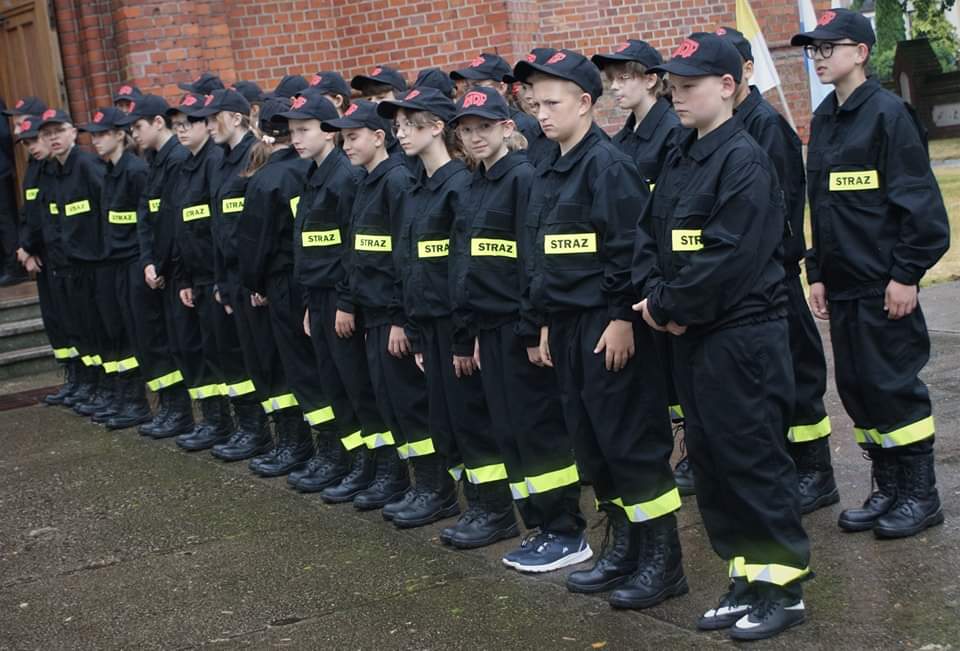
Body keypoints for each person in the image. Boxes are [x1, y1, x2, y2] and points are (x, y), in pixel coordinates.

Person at [635, 33, 811, 640]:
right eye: (673, 87)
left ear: (727, 86)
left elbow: (729, 258)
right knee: (712, 465)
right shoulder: (682, 153)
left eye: (689, 87)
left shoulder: (744, 160)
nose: (676, 97)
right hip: (692, 335)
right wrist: (658, 299)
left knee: (753, 461)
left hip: (741, 339)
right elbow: (649, 235)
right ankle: (745, 577)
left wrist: (668, 305)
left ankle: (782, 588)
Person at [512, 50, 684, 590]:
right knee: (594, 444)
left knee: (630, 441)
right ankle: (624, 546)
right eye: (536, 105)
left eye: (553, 103)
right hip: (566, 326)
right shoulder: (547, 166)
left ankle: (662, 561)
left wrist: (621, 319)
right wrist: (543, 321)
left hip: (606, 325)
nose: (542, 114)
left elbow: (629, 250)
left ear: (585, 103)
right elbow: (543, 254)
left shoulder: (607, 166)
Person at [792, 9, 949, 538]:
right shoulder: (825, 117)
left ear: (860, 53)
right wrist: (817, 271)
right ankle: (889, 488)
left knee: (894, 388)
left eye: (828, 48)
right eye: (813, 49)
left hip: (885, 287)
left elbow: (923, 210)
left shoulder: (888, 115)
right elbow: (822, 205)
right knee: (859, 389)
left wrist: (906, 274)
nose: (818, 58)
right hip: (843, 287)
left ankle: (920, 495)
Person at [448, 86, 579, 551]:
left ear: (506, 127)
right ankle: (538, 526)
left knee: (537, 430)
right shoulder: (474, 184)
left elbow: (533, 261)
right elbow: (466, 265)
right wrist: (468, 332)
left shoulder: (523, 178)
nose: (475, 137)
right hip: (488, 329)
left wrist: (533, 326)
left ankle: (564, 529)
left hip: (517, 327)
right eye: (467, 130)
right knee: (509, 433)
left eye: (484, 127)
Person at [716, 25, 837, 514]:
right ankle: (788, 465)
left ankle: (817, 472)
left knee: (798, 374)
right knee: (769, 381)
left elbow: (781, 208)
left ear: (746, 71)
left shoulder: (765, 125)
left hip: (775, 276)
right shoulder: (723, 126)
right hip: (745, 281)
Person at [379, 87, 497, 530]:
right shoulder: (416, 189)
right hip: (427, 324)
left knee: (472, 420)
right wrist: (412, 327)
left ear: (436, 128)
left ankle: (494, 509)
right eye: (398, 126)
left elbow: (465, 268)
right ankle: (459, 500)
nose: (401, 134)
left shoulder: (459, 186)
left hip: (455, 324)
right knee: (444, 421)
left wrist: (464, 336)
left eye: (411, 125)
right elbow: (407, 263)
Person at [591, 38, 692, 494]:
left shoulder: (672, 132)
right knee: (661, 378)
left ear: (652, 80)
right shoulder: (623, 140)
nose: (615, 87)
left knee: (682, 373)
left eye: (624, 77)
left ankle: (696, 450)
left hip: (669, 276)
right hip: (639, 274)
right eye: (611, 80)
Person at [283, 92, 389, 495]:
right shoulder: (313, 174)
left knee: (357, 386)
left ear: (328, 133)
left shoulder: (344, 177)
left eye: (304, 130)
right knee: (335, 384)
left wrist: (345, 302)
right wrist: (310, 303)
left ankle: (382, 467)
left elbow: (351, 249)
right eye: (292, 132)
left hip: (341, 298)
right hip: (319, 297)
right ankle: (355, 460)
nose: (296, 139)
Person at [318, 100, 420, 510]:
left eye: (353, 137)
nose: (346, 146)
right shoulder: (365, 181)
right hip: (369, 311)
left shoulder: (396, 182)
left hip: (388, 314)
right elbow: (355, 252)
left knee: (408, 404)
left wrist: (398, 317)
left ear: (379, 137)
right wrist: (348, 300)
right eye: (343, 139)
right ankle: (396, 477)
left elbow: (402, 258)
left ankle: (431, 486)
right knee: (383, 400)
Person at [124, 94, 196, 439]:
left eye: (138, 126)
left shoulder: (178, 159)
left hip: (175, 271)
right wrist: (149, 261)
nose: (134, 134)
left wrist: (164, 265)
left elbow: (175, 221)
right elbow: (146, 218)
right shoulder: (154, 160)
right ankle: (173, 409)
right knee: (164, 341)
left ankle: (183, 413)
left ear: (157, 122)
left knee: (184, 345)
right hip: (160, 269)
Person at [78, 107, 153, 429]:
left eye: (102, 134)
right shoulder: (108, 170)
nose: (95, 141)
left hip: (134, 262)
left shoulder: (135, 170)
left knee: (141, 334)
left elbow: (146, 221)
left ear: (120, 134)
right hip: (115, 263)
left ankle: (140, 403)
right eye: (93, 135)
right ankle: (128, 398)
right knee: (120, 332)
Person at [166, 93, 234, 446]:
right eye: (176, 125)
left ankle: (239, 425)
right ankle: (216, 420)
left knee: (228, 355)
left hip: (215, 276)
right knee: (206, 351)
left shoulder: (214, 161)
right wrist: (183, 277)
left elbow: (218, 227)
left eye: (188, 123)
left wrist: (221, 278)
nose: (181, 130)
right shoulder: (185, 165)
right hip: (196, 277)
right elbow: (181, 227)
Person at [15, 114, 81, 405]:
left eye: (34, 140)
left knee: (74, 322)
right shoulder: (36, 169)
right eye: (26, 142)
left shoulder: (57, 169)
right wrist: (25, 247)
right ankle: (74, 378)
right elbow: (29, 213)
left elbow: (49, 218)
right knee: (57, 322)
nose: (32, 146)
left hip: (60, 257)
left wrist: (30, 246)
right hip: (46, 257)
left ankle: (85, 381)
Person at [450, 54, 554, 166]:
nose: (471, 92)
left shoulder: (526, 125)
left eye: (477, 85)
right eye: (467, 87)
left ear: (502, 87)